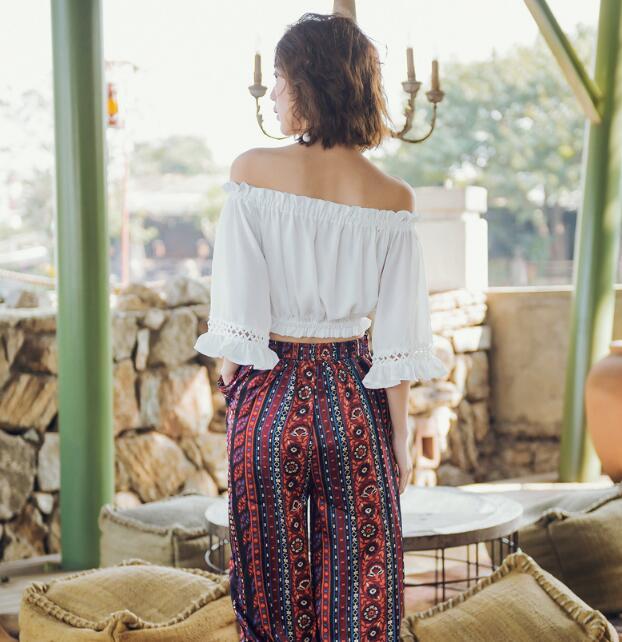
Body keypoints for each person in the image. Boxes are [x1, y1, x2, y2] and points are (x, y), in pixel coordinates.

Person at [194, 12, 448, 641]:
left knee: (268, 584)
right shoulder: (394, 199)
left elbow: (239, 318)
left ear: (308, 84)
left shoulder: (252, 174)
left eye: (280, 81)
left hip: (269, 387)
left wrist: (235, 396)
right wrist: (397, 440)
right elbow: (396, 341)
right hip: (353, 391)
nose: (274, 95)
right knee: (363, 585)